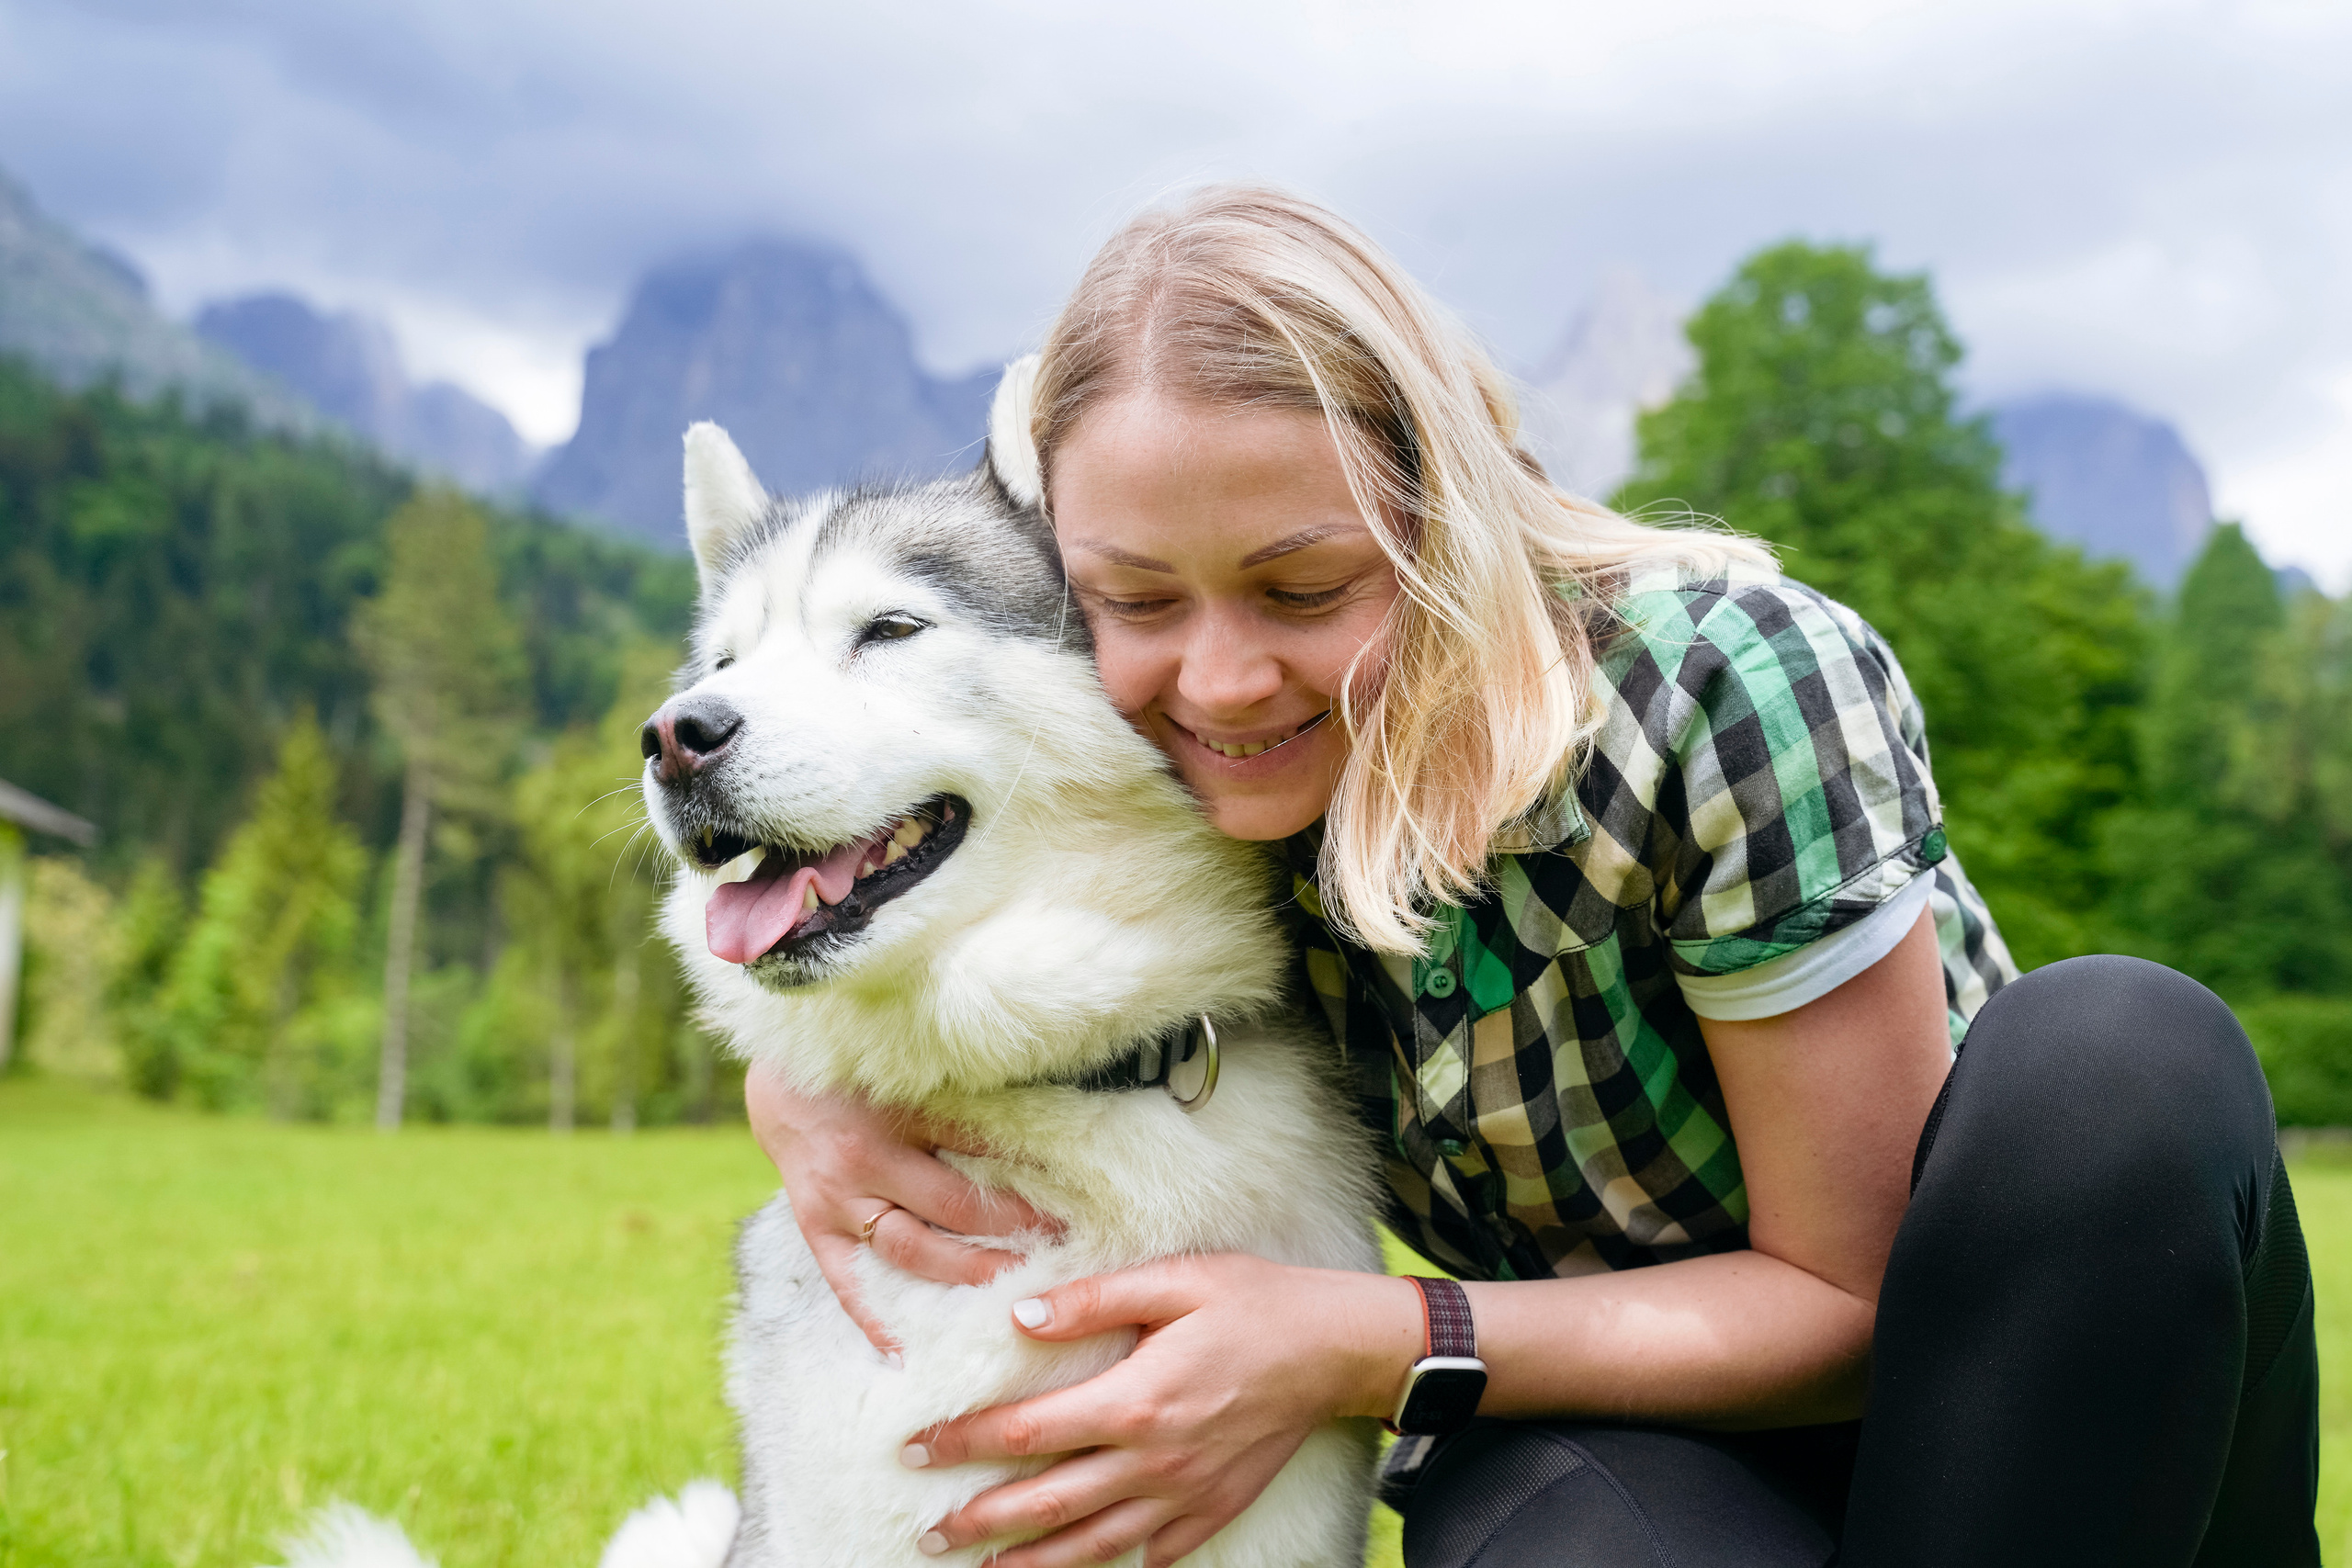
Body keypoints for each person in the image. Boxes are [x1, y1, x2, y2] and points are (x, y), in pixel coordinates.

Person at [744, 186, 2319, 1567]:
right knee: (1559, 1530)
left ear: (1447, 523)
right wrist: (804, 1070)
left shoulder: (1723, 689)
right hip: (1634, 1440)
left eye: (1306, 587)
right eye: (1137, 600)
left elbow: (1854, 1304)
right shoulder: (1187, 788)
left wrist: (1365, 1340)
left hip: (2057, 1426)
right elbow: (919, 848)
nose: (1220, 681)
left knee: (2119, 1057)